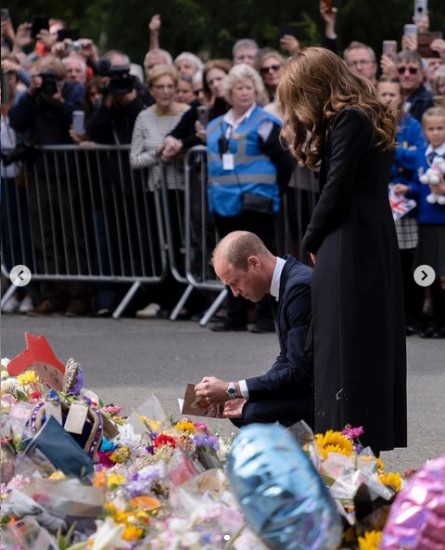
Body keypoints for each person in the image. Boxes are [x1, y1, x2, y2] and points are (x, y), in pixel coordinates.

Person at [277, 47, 407, 454]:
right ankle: (358, 441)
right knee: (360, 338)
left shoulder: (350, 119)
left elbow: (337, 189)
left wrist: (311, 238)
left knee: (343, 341)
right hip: (368, 235)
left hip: (349, 239)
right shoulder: (366, 114)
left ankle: (346, 439)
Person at [206, 63, 294, 333]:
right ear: (229, 92)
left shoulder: (267, 123)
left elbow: (285, 161)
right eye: (239, 88)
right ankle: (235, 316)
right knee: (229, 261)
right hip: (224, 201)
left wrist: (273, 191)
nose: (245, 93)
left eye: (249, 88)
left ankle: (267, 318)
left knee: (260, 261)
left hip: (258, 201)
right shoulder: (214, 126)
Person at [194, 230, 313, 427]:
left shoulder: (299, 289)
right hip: (311, 383)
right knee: (242, 409)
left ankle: (299, 456)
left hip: (332, 395)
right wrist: (246, 393)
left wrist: (232, 390)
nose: (235, 293)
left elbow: (298, 372)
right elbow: (287, 358)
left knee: (253, 412)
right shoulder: (285, 283)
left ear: (254, 263)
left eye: (235, 283)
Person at [377, 76, 427, 335]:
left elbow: (417, 159)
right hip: (381, 204)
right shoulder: (371, 124)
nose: (387, 99)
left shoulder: (413, 126)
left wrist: (394, 153)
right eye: (382, 94)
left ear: (401, 97)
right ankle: (392, 318)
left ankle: (414, 316)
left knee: (412, 265)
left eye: (392, 94)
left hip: (408, 206)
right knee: (388, 265)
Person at [393, 106, 445, 338]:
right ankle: (432, 320)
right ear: (424, 131)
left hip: (443, 222)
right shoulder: (421, 154)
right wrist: (409, 188)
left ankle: (443, 321)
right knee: (428, 273)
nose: (436, 133)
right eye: (431, 129)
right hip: (425, 222)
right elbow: (418, 184)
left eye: (440, 128)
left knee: (443, 274)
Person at [396, 50, 434, 122]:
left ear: (421, 74)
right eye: (401, 70)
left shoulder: (429, 100)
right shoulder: (389, 96)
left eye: (412, 70)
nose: (406, 74)